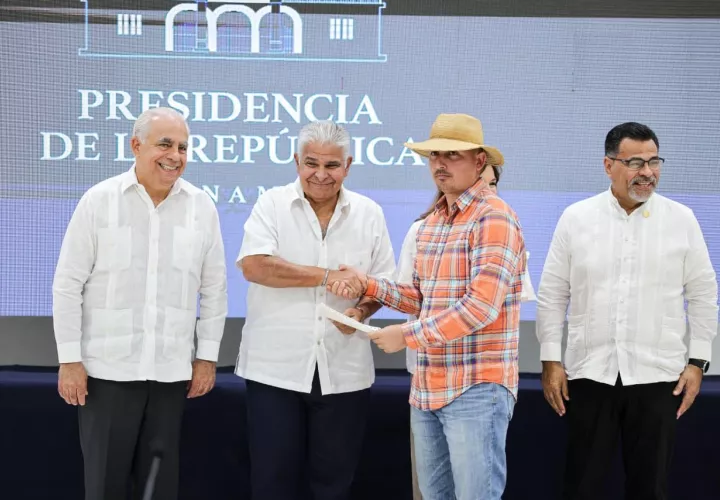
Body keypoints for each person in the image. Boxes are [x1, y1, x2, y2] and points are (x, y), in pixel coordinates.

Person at [330, 113, 526, 500]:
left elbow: (481, 307)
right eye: (434, 154)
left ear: (479, 162)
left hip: (476, 385)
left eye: (453, 155)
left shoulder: (494, 217)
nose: (440, 163)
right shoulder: (433, 223)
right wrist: (367, 283)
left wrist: (406, 336)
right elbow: (421, 299)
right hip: (428, 386)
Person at [52, 107, 228, 500]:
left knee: (159, 489)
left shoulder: (201, 207)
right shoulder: (99, 201)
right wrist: (69, 359)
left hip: (170, 374)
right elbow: (67, 285)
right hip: (106, 373)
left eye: (183, 147)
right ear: (135, 145)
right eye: (165, 144)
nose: (175, 155)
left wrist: (206, 357)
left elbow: (215, 289)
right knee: (105, 488)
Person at [536, 122, 718, 500]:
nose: (647, 172)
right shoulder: (576, 218)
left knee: (649, 489)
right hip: (590, 373)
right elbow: (552, 293)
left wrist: (698, 361)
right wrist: (551, 359)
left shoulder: (681, 219)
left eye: (654, 162)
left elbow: (703, 293)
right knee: (581, 487)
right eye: (635, 162)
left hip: (658, 375)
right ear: (609, 166)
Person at [235, 120, 396, 500]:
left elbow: (385, 285)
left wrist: (361, 312)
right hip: (274, 371)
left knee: (333, 487)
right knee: (271, 485)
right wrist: (327, 276)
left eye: (332, 165)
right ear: (296, 162)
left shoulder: (370, 213)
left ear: (348, 166)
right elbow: (255, 266)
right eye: (311, 163)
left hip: (344, 371)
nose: (321, 174)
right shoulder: (271, 204)